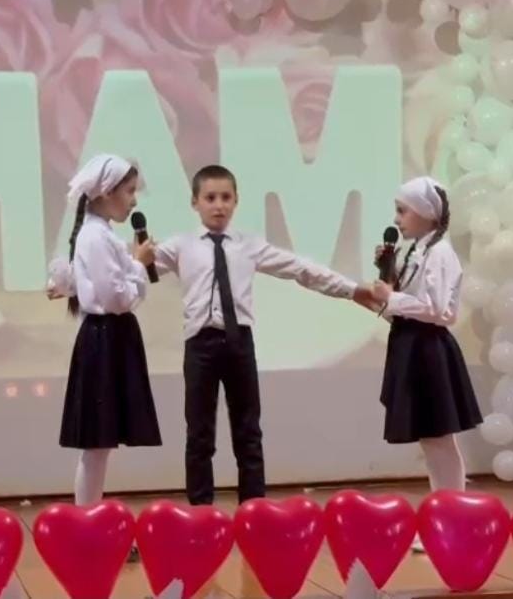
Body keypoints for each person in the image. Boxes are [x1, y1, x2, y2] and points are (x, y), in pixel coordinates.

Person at [153, 164, 377, 506]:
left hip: (239, 343)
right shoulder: (179, 246)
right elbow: (131, 271)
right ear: (194, 202)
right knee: (199, 434)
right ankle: (200, 512)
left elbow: (301, 269)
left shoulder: (248, 245)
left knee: (248, 432)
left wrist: (352, 289)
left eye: (226, 197)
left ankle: (253, 509)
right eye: (210, 198)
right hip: (200, 345)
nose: (218, 206)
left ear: (236, 201)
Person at [46, 154, 160, 562]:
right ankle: (87, 531)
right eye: (128, 192)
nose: (133, 200)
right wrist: (140, 268)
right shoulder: (96, 237)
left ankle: (90, 527)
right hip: (106, 339)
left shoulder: (100, 235)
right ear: (107, 192)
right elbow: (116, 297)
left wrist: (135, 266)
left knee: (99, 447)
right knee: (96, 446)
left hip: (110, 339)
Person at [371, 176, 483, 552]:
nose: (397, 219)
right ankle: (445, 518)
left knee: (438, 440)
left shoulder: (440, 253)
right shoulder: (417, 251)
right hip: (411, 347)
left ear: (424, 213)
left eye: (402, 210)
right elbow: (405, 306)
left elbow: (440, 310)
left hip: (428, 350)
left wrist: (392, 298)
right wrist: (388, 280)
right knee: (432, 442)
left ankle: (452, 520)